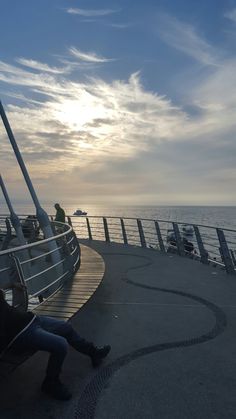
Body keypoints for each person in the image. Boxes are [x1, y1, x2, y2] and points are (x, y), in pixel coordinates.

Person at [0, 288, 111, 401]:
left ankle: (93, 352)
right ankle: (51, 382)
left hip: (31, 319)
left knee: (65, 327)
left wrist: (11, 286)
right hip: (20, 334)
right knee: (60, 345)